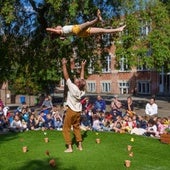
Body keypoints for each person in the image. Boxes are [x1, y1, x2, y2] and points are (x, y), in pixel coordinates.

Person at [46, 9, 126, 39]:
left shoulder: (62, 35)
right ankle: (97, 19)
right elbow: (55, 32)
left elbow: (61, 38)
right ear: (57, 30)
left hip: (81, 34)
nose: (58, 26)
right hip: (76, 29)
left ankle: (118, 29)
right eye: (56, 27)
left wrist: (59, 36)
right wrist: (49, 29)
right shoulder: (60, 32)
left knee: (102, 30)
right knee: (88, 23)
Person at [62, 57, 86, 153]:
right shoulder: (82, 90)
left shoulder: (72, 88)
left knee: (66, 128)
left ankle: (70, 147)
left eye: (78, 80)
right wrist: (83, 66)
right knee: (76, 127)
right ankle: (79, 145)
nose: (77, 79)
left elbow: (66, 76)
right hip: (78, 112)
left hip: (71, 110)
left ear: (78, 84)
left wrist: (64, 64)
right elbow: (82, 78)